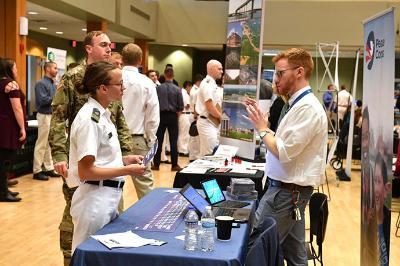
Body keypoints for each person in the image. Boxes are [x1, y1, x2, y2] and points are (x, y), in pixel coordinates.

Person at [49, 31, 136, 266]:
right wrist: (59, 154)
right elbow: (58, 117)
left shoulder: (110, 79)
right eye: (104, 45)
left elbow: (119, 121)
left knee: (107, 233)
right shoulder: (73, 79)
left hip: (107, 166)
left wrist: (126, 156)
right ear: (89, 48)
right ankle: (71, 259)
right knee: (76, 224)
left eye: (111, 45)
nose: (109, 49)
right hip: (85, 161)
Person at [245, 48, 327, 265]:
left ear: (299, 72)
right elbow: (284, 143)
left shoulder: (307, 108)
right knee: (295, 255)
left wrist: (263, 129)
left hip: (285, 193)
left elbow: (283, 151)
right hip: (290, 192)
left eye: (280, 73)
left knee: (254, 251)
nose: (276, 79)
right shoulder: (297, 104)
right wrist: (263, 126)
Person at [69, 61, 146, 253]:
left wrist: (125, 161)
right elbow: (86, 170)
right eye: (119, 83)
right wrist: (127, 170)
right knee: (89, 257)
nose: (123, 87)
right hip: (94, 200)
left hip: (107, 196)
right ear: (103, 88)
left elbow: (101, 159)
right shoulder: (90, 119)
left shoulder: (103, 115)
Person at [121, 43, 160, 198]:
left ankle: (114, 221)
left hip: (113, 139)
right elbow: (152, 116)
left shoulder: (111, 77)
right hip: (137, 138)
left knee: (113, 184)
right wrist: (151, 139)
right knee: (145, 185)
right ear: (140, 60)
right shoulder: (146, 82)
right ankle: (149, 219)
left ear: (122, 59)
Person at [0, 58, 26, 202]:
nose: (16, 70)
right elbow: (17, 108)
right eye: (15, 67)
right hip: (8, 127)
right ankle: (3, 193)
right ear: (9, 69)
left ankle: (3, 189)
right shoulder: (11, 85)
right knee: (5, 160)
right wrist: (22, 127)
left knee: (2, 160)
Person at [153, 67, 184, 171]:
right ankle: (174, 165)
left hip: (160, 115)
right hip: (173, 116)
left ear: (164, 75)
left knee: (159, 141)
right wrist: (176, 115)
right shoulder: (177, 89)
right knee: (174, 141)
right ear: (173, 76)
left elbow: (155, 103)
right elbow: (181, 106)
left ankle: (156, 164)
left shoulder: (158, 88)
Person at [32, 61, 59, 181]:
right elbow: (43, 100)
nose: (57, 70)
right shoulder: (40, 83)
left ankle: (49, 167)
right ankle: (37, 170)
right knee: (41, 143)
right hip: (43, 115)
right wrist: (58, 95)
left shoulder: (53, 84)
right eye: (55, 68)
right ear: (47, 69)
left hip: (51, 115)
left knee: (49, 144)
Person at [196, 60, 223, 156]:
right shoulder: (207, 83)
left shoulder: (213, 83)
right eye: (219, 69)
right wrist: (221, 118)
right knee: (210, 153)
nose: (222, 71)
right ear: (211, 69)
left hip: (213, 122)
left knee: (213, 152)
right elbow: (209, 106)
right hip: (207, 121)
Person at [374, 153, 391, 266]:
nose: (375, 188)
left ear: (386, 188)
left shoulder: (387, 219)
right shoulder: (367, 221)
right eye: (373, 181)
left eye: (378, 181)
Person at [188, 74, 203, 162]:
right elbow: (195, 104)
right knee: (195, 137)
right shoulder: (195, 91)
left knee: (194, 137)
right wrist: (196, 115)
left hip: (194, 114)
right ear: (199, 81)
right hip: (194, 115)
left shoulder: (195, 90)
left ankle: (193, 155)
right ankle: (194, 156)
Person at [178, 80, 192, 156]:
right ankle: (183, 150)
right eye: (190, 87)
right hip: (184, 114)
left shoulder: (183, 92)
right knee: (184, 134)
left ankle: (182, 149)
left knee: (183, 133)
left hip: (183, 115)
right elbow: (187, 105)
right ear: (188, 86)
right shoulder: (184, 94)